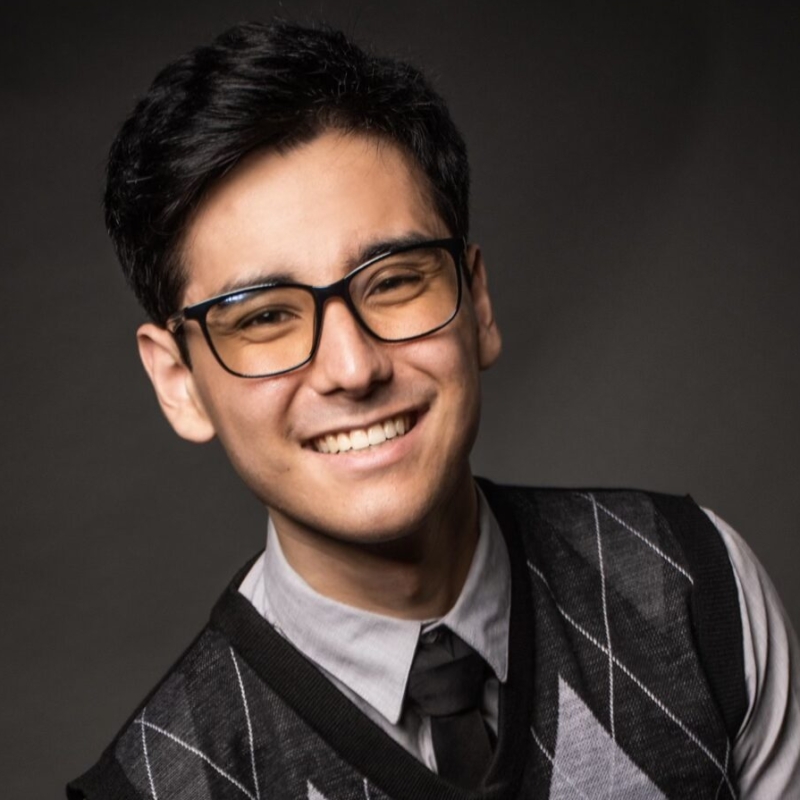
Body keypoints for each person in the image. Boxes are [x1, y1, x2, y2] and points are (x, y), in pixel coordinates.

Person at [68, 19, 799, 800]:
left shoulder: (692, 584)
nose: (353, 369)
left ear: (477, 301)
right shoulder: (160, 783)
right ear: (178, 379)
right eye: (264, 317)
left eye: (393, 280)